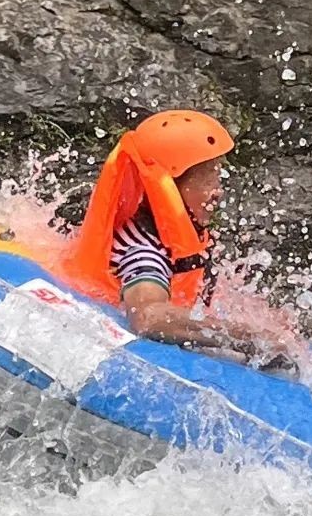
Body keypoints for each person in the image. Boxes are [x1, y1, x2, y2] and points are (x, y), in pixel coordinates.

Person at [58, 109, 296, 364]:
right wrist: (246, 337)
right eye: (207, 179)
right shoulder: (143, 252)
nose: (219, 192)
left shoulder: (165, 232)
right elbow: (149, 316)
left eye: (217, 176)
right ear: (169, 186)